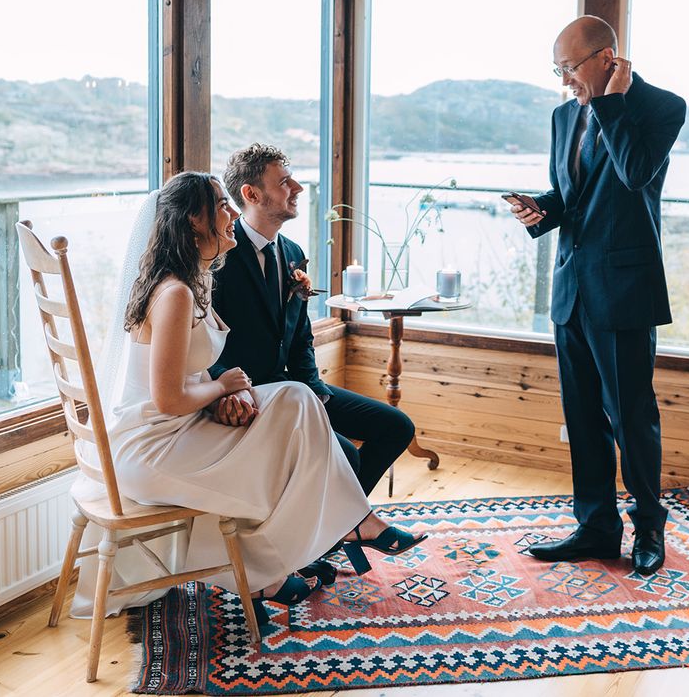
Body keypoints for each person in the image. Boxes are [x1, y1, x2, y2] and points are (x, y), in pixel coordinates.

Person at [71, 172, 425, 625]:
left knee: (298, 400)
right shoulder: (175, 292)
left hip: (177, 432)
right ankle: (279, 563)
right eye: (222, 205)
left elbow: (187, 379)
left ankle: (330, 534)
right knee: (286, 453)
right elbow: (168, 400)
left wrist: (231, 390)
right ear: (195, 220)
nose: (233, 214)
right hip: (153, 450)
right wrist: (223, 387)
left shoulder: (186, 283)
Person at [507, 16, 686, 575]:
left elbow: (634, 174)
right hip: (573, 287)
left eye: (569, 68)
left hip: (625, 289)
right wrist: (541, 209)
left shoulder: (662, 107)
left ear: (607, 58)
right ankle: (597, 528)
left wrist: (610, 101)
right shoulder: (564, 116)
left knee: (632, 416)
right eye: (556, 70)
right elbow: (570, 194)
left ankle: (649, 528)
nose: (564, 82)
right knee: (582, 416)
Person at [209, 143, 415, 498]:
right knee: (345, 453)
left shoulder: (292, 253)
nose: (298, 189)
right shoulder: (220, 257)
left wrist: (315, 389)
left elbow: (300, 338)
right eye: (285, 182)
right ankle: (331, 527)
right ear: (251, 194)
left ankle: (339, 523)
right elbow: (203, 340)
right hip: (250, 394)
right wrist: (227, 388)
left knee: (396, 426)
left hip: (293, 384)